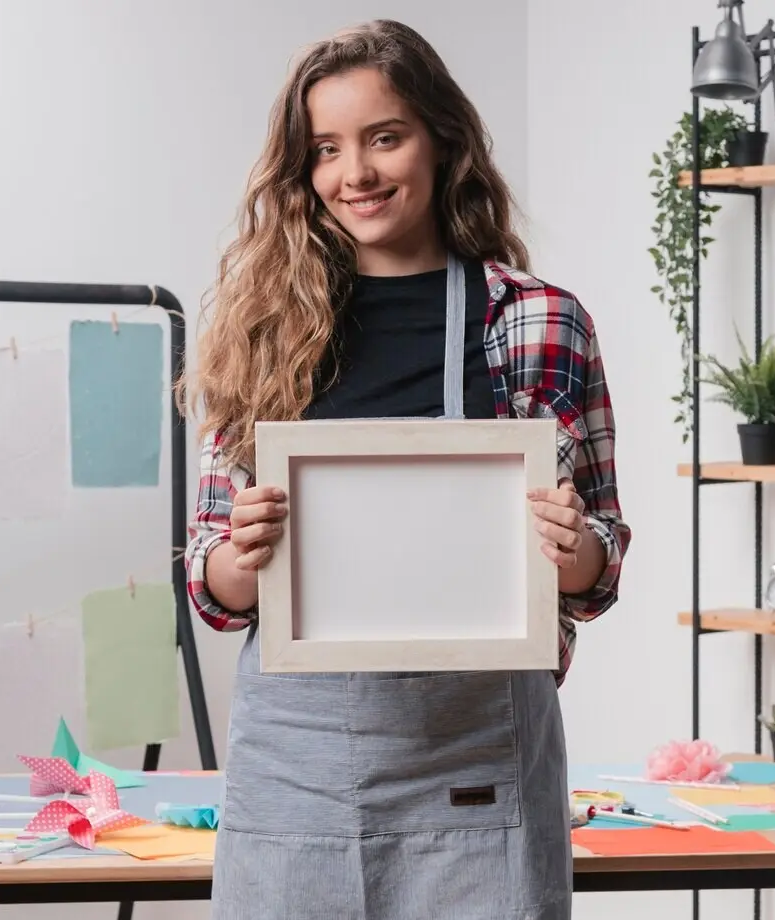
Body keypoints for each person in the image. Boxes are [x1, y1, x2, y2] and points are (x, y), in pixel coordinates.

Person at [178, 19, 630, 920]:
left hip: (479, 757)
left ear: (440, 139)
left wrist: (572, 545)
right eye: (327, 149)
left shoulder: (541, 322)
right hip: (296, 766)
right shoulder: (261, 326)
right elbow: (211, 585)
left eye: (385, 137)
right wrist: (243, 552)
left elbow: (599, 567)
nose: (356, 173)